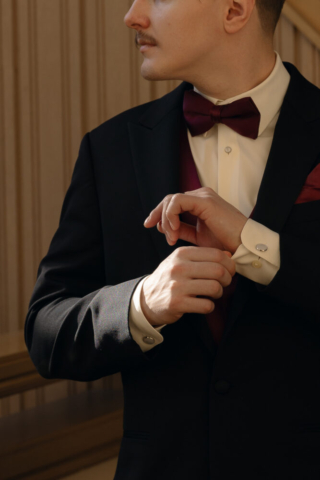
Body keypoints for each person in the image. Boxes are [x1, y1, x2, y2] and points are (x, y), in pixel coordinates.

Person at [25, 0, 320, 477]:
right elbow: (45, 333)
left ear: (234, 10)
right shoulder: (109, 149)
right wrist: (140, 305)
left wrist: (252, 243)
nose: (132, 16)